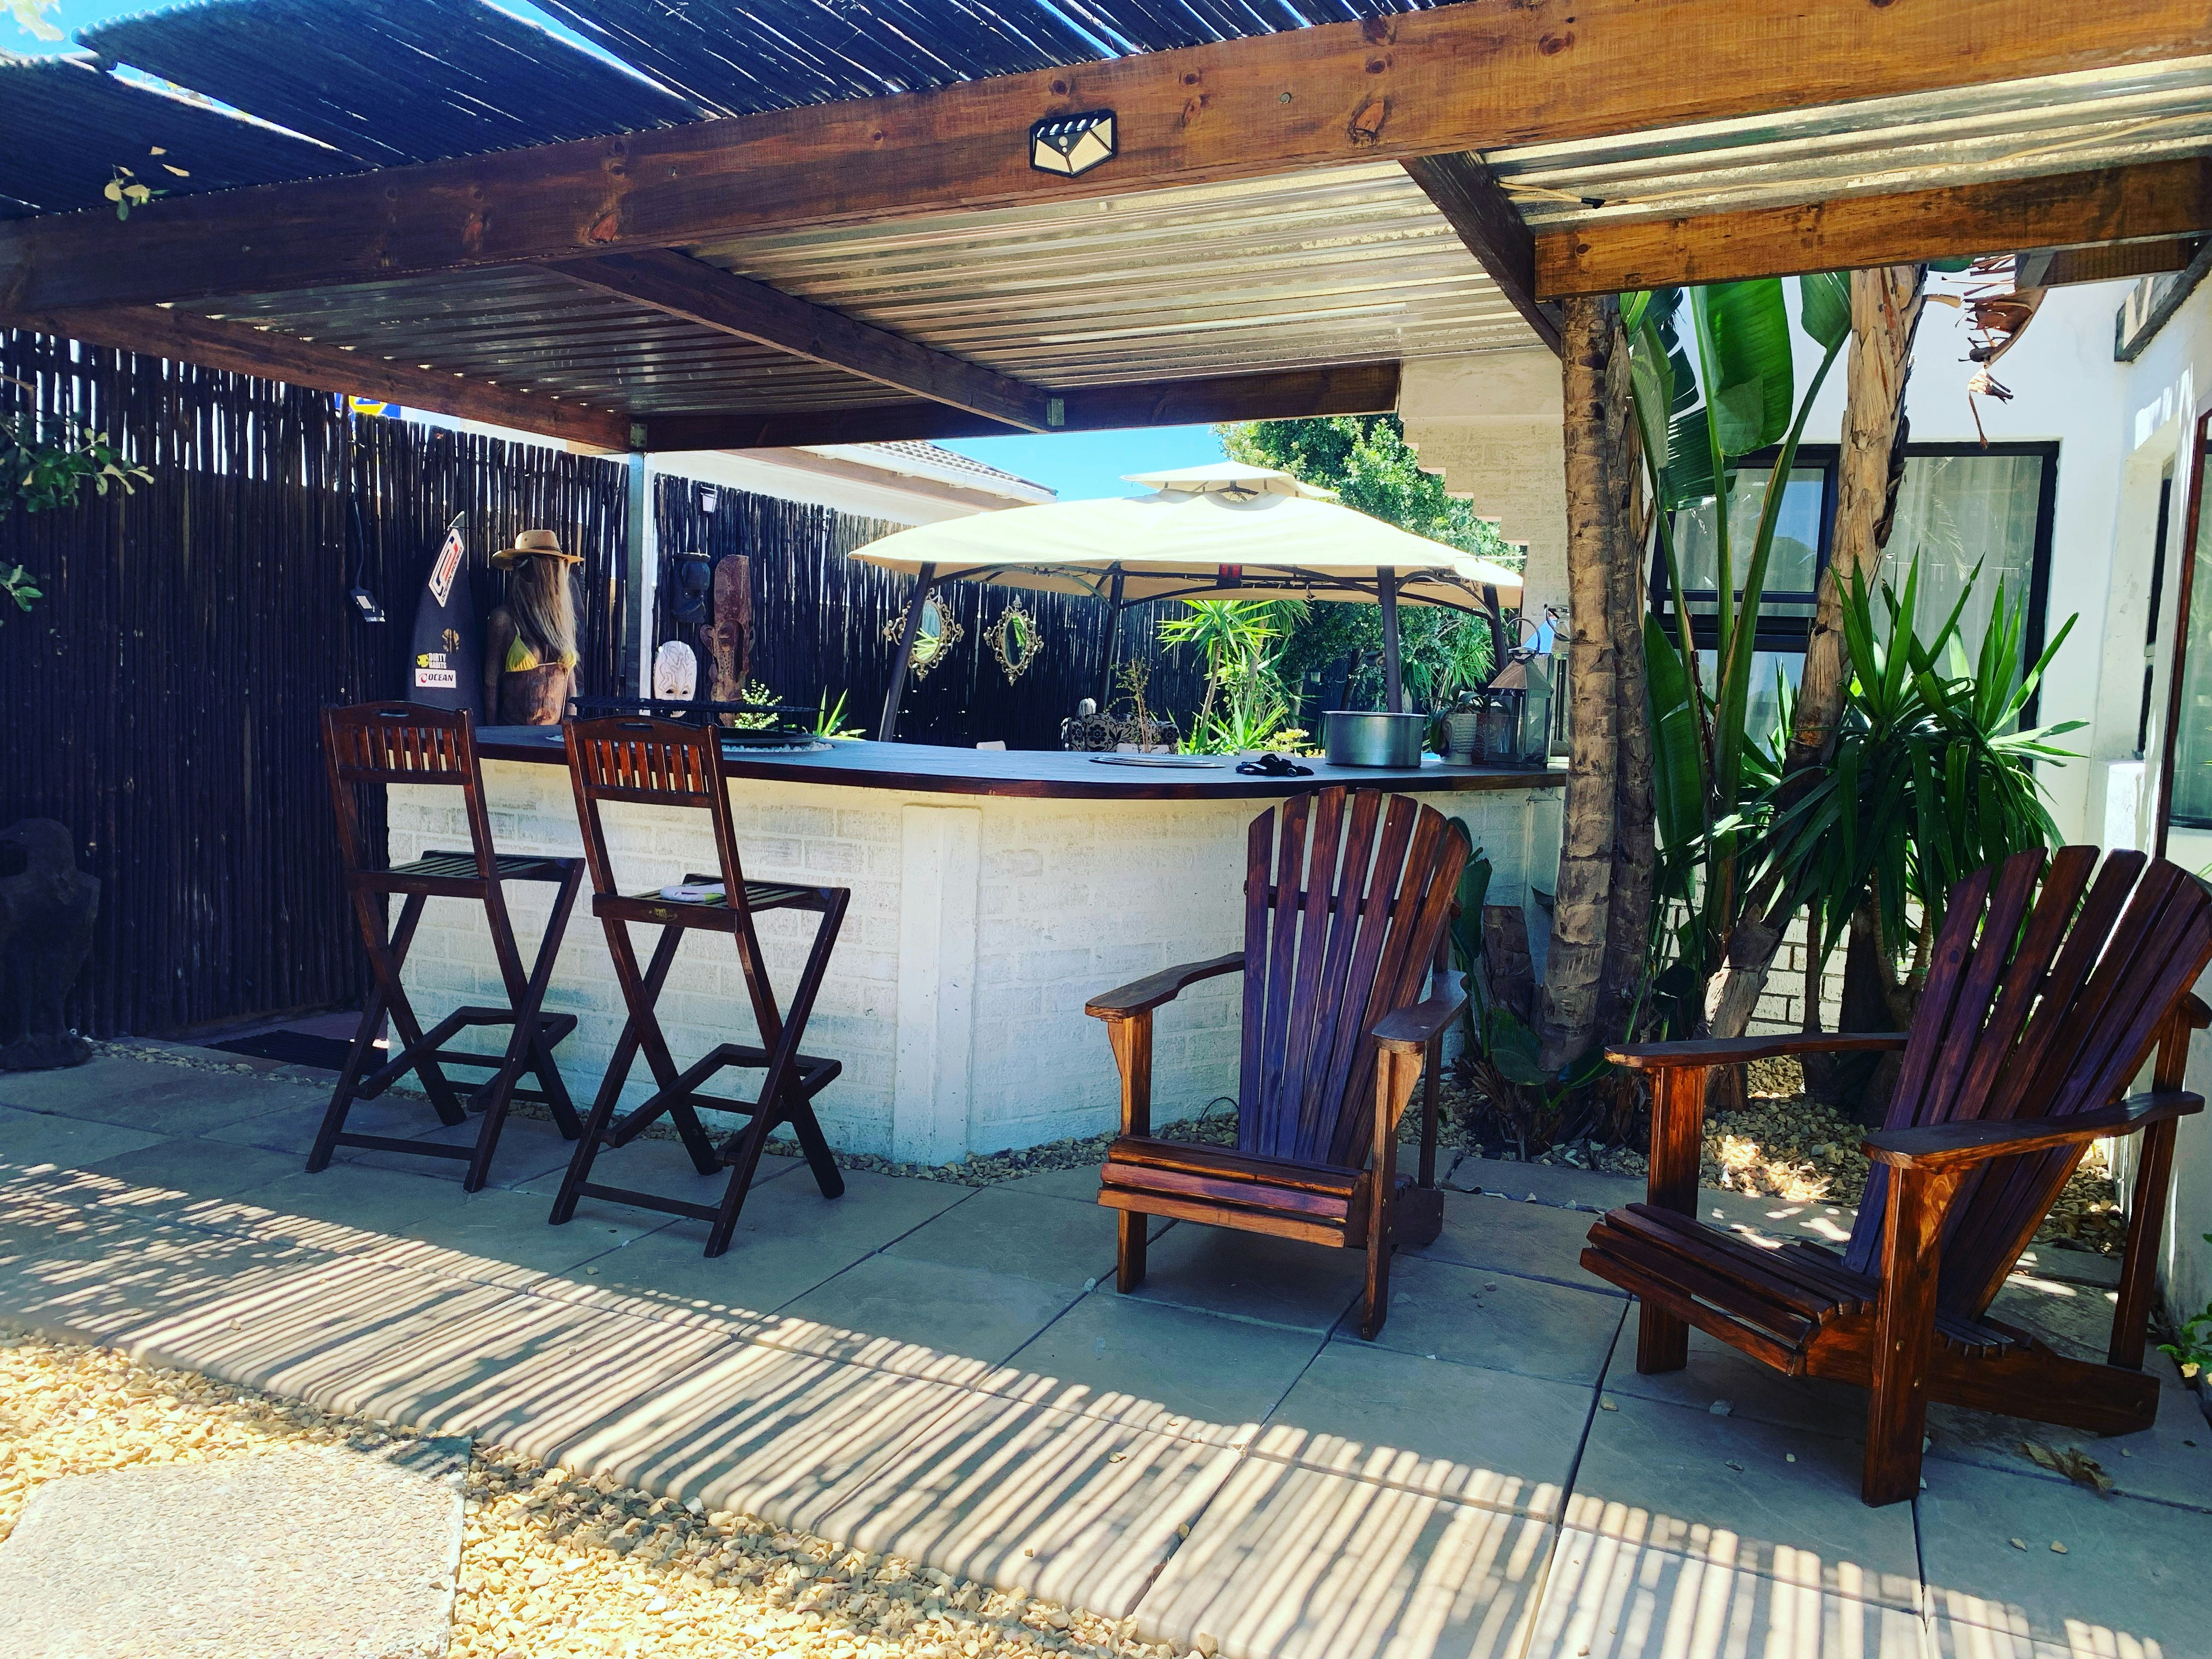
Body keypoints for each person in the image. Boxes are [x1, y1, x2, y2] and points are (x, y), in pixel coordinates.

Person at [483, 529, 582, 725]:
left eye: (558, 566)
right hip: (514, 735)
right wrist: (491, 736)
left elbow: (571, 692)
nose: (556, 574)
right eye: (551, 566)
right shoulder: (503, 620)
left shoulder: (561, 620)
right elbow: (490, 685)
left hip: (554, 736)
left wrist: (570, 733)